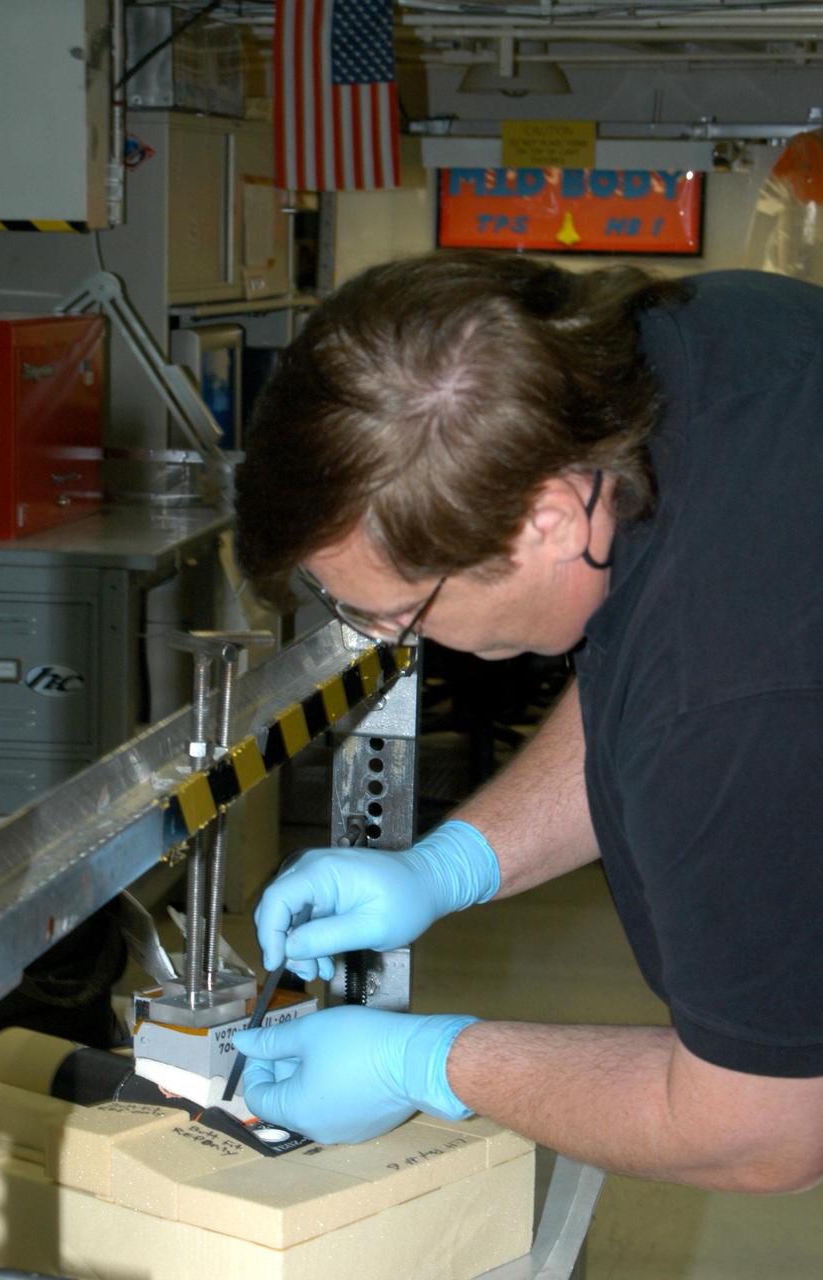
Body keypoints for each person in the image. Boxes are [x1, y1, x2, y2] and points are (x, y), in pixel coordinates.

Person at [232, 250, 823, 1194]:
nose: (394, 640)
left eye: (402, 615)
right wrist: (449, 865)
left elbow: (762, 1130)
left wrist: (429, 1063)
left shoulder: (730, 696)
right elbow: (641, 667)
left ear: (546, 520)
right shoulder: (683, 342)